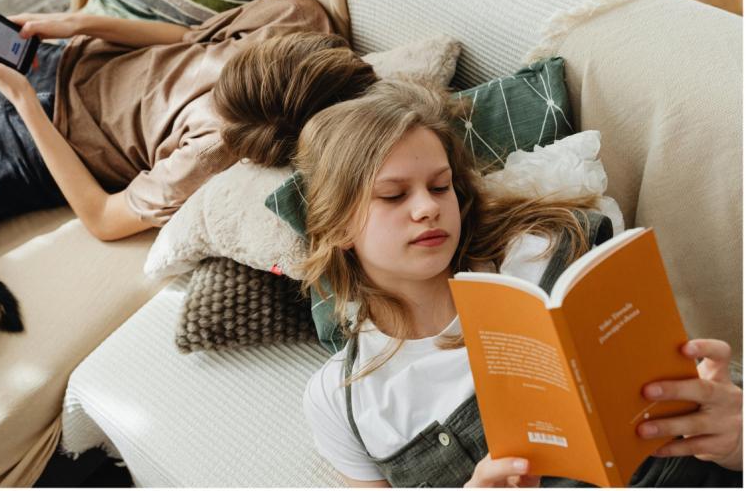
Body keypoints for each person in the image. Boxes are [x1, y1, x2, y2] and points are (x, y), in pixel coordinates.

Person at [297, 79, 743, 487]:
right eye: (393, 195)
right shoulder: (342, 399)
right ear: (337, 227)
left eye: (440, 187)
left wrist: (737, 441)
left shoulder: (539, 254)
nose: (427, 209)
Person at [0, 0, 376, 246]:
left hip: (40, 147)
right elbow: (189, 37)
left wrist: (23, 102)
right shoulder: (296, 16)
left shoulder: (213, 151)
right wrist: (76, 23)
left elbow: (103, 219)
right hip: (61, 60)